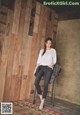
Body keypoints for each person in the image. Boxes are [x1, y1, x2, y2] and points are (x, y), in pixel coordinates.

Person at [34, 37, 57, 110]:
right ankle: (42, 99)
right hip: (41, 67)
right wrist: (35, 69)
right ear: (45, 43)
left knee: (46, 84)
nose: (48, 44)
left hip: (48, 68)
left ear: (51, 44)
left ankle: (42, 103)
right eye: (47, 43)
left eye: (50, 43)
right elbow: (39, 60)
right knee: (36, 82)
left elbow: (55, 60)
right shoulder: (42, 50)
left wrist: (52, 64)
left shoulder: (53, 50)